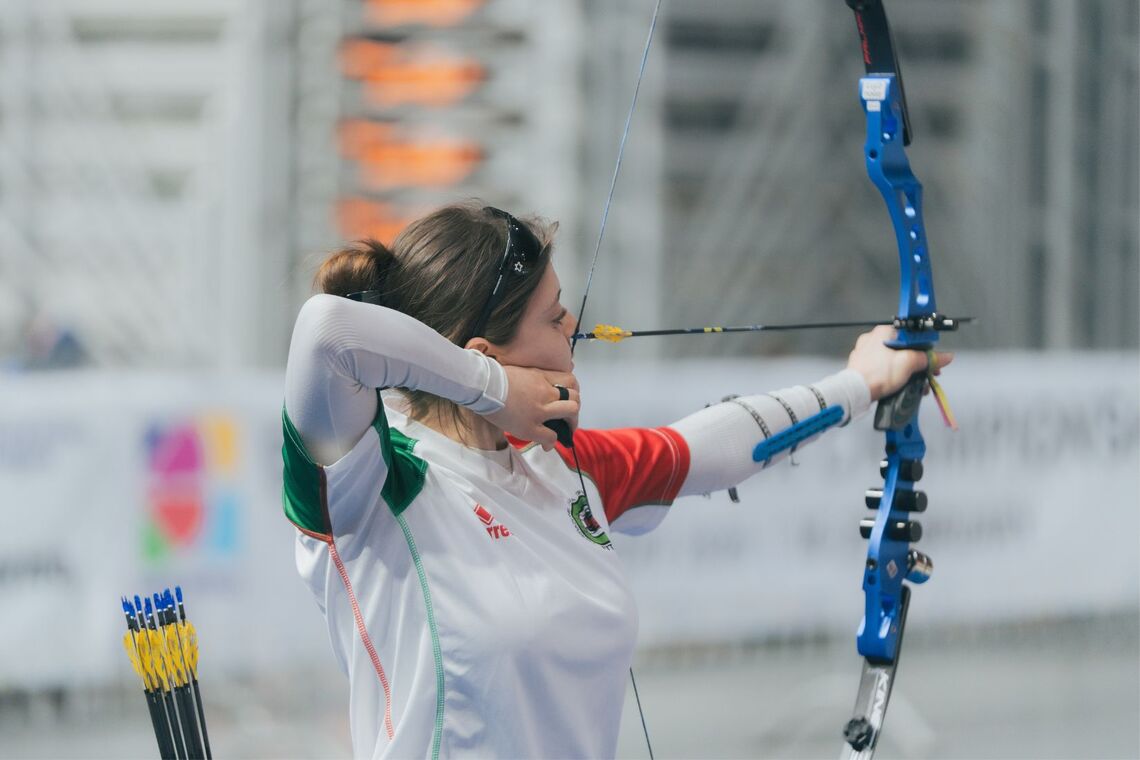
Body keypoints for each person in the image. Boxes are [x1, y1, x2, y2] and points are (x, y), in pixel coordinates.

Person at [281, 201, 951, 759]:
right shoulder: (374, 484)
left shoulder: (558, 469)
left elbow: (711, 446)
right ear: (485, 356)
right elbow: (326, 332)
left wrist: (862, 382)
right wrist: (495, 390)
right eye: (553, 316)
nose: (573, 327)